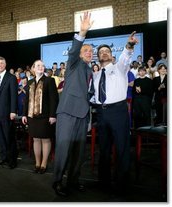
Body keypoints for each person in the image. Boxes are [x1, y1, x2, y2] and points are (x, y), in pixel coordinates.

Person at [91, 31, 139, 194]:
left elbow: (126, 57)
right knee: (103, 150)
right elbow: (96, 95)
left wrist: (129, 45)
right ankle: (103, 182)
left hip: (118, 112)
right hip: (102, 114)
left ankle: (122, 185)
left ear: (112, 56)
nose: (104, 53)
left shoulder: (120, 67)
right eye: (101, 52)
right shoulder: (96, 75)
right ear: (98, 57)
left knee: (122, 148)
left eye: (107, 51)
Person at [52, 11, 94, 196]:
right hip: (68, 113)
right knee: (63, 150)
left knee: (79, 152)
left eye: (91, 51)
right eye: (86, 50)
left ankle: (73, 181)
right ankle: (57, 182)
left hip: (83, 115)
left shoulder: (90, 71)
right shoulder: (73, 64)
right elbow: (74, 49)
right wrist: (82, 33)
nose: (89, 53)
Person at [22, 60, 58, 174]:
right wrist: (24, 114)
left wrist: (53, 115)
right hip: (32, 116)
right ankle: (37, 163)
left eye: (42, 66)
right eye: (38, 65)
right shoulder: (30, 82)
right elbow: (26, 100)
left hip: (45, 116)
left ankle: (44, 163)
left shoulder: (50, 80)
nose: (41, 67)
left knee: (45, 139)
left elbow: (54, 99)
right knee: (36, 139)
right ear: (33, 68)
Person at [0, 56, 18, 169]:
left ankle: (12, 160)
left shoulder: (11, 78)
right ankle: (3, 157)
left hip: (7, 113)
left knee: (9, 137)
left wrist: (13, 111)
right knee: (0, 137)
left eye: (1, 63)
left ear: (5, 64)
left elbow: (14, 96)